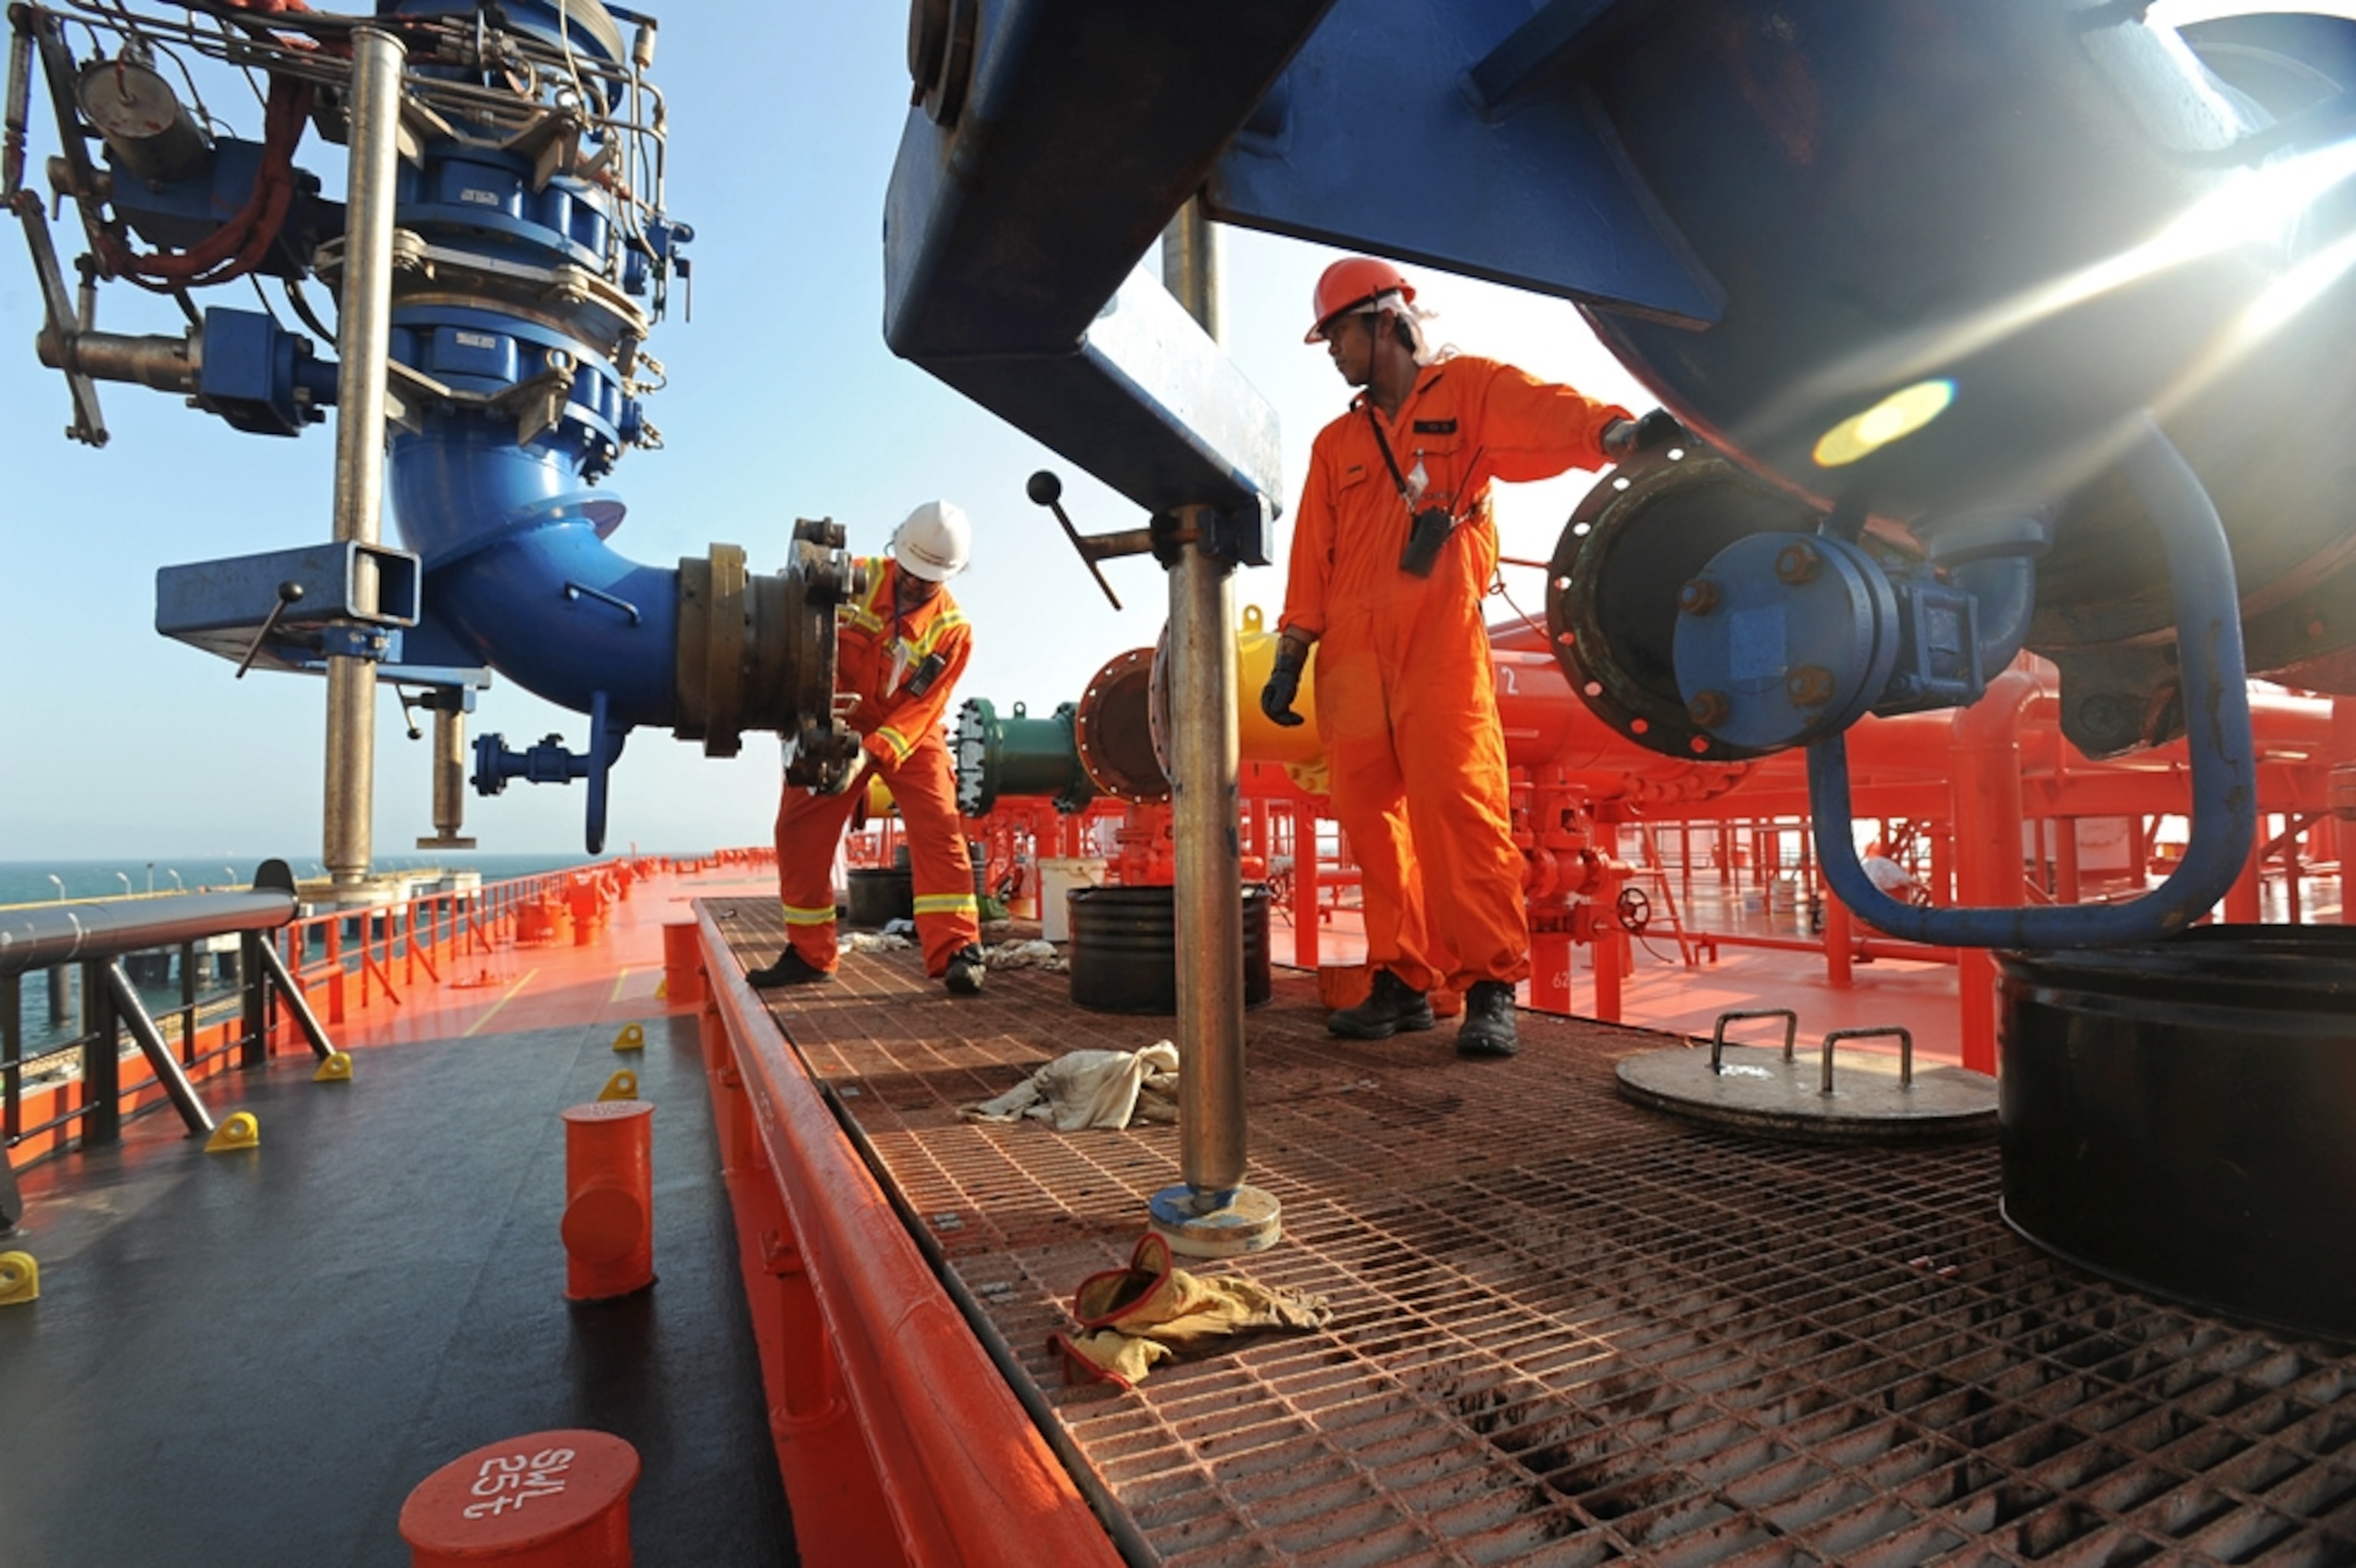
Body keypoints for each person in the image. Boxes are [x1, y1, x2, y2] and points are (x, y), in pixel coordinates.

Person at [1261, 257, 1670, 1058]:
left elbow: (1538, 413)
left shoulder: (1469, 392)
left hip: (1437, 642)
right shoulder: (1334, 443)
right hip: (1349, 655)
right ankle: (1403, 979)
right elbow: (1313, 553)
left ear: (1385, 322)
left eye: (1338, 334)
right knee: (1369, 819)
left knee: (1461, 808)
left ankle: (1489, 984)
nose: (1333, 353)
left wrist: (1613, 434)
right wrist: (1291, 651)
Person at [751, 501, 987, 995]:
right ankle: (810, 954)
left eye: (929, 578)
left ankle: (959, 952)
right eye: (911, 571)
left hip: (910, 733)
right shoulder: (850, 580)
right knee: (798, 830)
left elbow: (924, 707)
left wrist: (871, 752)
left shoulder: (953, 631)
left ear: (951, 573)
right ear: (896, 549)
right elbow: (801, 637)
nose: (916, 584)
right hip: (839, 719)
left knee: (940, 831)